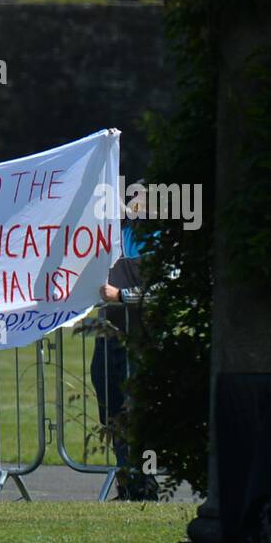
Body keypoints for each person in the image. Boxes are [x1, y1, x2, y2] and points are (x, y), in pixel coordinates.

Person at [93, 182, 157, 501]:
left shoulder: (161, 237)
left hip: (142, 337)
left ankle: (144, 483)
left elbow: (167, 285)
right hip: (110, 334)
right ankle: (127, 480)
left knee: (136, 411)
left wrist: (123, 295)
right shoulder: (117, 233)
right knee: (112, 410)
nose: (136, 204)